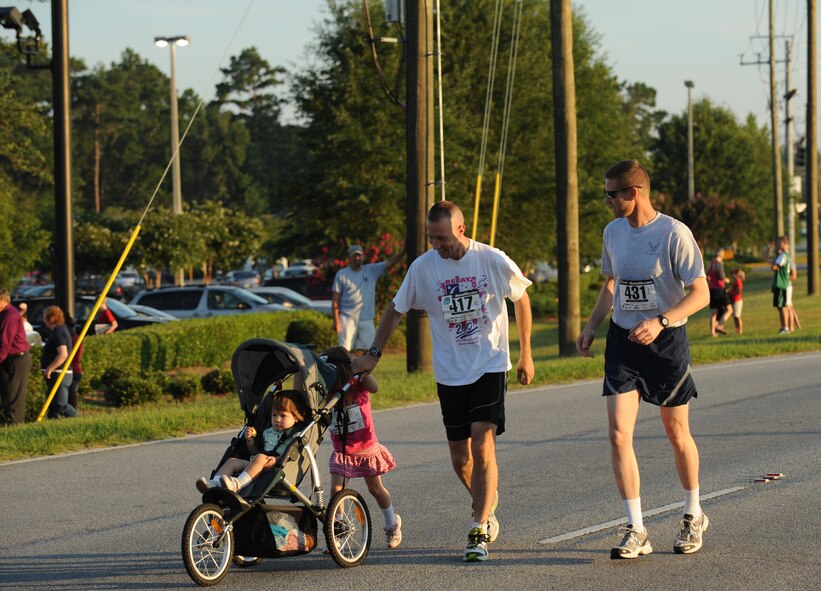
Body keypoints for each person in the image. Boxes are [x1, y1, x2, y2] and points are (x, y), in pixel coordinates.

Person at [351, 200, 534, 563]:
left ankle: (478, 528)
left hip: (489, 364)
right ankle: (486, 500)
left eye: (443, 238)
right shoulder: (424, 267)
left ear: (462, 230)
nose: (438, 245)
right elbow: (395, 309)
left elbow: (522, 299)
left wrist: (526, 352)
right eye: (432, 238)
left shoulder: (492, 259)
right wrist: (374, 353)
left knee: (483, 445)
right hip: (450, 372)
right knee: (458, 458)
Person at [576, 160, 710, 559]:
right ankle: (636, 527)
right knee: (619, 434)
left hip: (666, 342)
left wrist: (662, 320)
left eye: (612, 194)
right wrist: (591, 326)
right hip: (623, 343)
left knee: (676, 433)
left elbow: (701, 293)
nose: (608, 201)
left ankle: (692, 513)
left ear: (634, 193)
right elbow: (612, 283)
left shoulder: (674, 233)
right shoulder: (612, 232)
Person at [322, 346, 402, 549]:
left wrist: (359, 368)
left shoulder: (358, 384)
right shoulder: (328, 391)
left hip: (365, 447)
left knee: (375, 488)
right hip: (343, 450)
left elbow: (374, 387)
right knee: (336, 490)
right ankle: (338, 532)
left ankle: (392, 524)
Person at [196, 390, 306, 493]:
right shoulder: (267, 432)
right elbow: (255, 451)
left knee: (260, 457)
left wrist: (276, 459)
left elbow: (292, 455)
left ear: (296, 417)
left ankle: (237, 484)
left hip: (276, 468)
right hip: (256, 464)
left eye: (283, 416)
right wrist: (250, 440)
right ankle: (215, 484)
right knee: (232, 461)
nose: (277, 419)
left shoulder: (295, 436)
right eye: (274, 415)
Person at [332, 243, 405, 351]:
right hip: (347, 317)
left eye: (359, 255)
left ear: (363, 257)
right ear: (349, 258)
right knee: (344, 350)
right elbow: (335, 300)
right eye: (354, 255)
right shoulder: (341, 274)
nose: (357, 258)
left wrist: (404, 251)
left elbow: (389, 262)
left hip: (366, 318)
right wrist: (336, 321)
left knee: (369, 349)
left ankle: (362, 368)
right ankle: (345, 368)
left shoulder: (371, 270)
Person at [0, 288, 32, 425]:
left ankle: (15, 430)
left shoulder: (9, 316)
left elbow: (4, 343)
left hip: (16, 360)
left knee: (14, 399)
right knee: (7, 396)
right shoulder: (3, 314)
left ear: (3, 300)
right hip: (8, 359)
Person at [41, 305, 76, 419]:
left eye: (45, 317)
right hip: (58, 373)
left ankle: (78, 419)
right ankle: (52, 426)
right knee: (52, 406)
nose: (43, 320)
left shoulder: (59, 332)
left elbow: (63, 354)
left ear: (51, 318)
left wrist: (50, 368)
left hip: (59, 373)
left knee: (60, 405)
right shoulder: (60, 330)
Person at [706, 248, 731, 337]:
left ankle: (712, 333)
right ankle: (719, 326)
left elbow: (707, 275)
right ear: (722, 254)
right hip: (720, 289)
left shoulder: (711, 263)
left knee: (714, 312)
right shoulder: (719, 264)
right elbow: (721, 276)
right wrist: (727, 280)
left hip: (711, 289)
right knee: (729, 309)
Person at [771, 235, 792, 334]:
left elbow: (774, 267)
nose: (778, 245)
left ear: (785, 244)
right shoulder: (783, 255)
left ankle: (786, 327)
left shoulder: (783, 255)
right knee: (780, 307)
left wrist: (774, 264)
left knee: (782, 306)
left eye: (780, 243)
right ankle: (783, 327)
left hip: (781, 284)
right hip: (780, 284)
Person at [65, 316, 84, 410]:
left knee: (71, 397)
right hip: (76, 370)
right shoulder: (76, 338)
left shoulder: (71, 339)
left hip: (73, 371)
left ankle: (73, 413)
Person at [727, 269, 745, 335]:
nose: (732, 276)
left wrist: (730, 293)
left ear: (736, 275)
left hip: (737, 301)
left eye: (733, 275)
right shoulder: (736, 281)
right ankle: (737, 330)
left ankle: (740, 331)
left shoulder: (738, 282)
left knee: (737, 316)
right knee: (735, 317)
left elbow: (738, 292)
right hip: (734, 301)